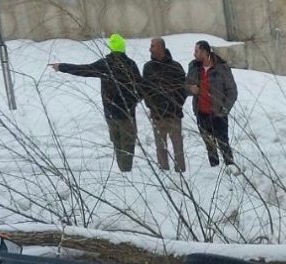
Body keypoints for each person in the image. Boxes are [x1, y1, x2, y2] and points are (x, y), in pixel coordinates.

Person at [50, 34, 142, 172]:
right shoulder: (130, 64)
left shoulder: (105, 64)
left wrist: (62, 67)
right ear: (123, 48)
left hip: (110, 113)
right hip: (127, 113)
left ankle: (123, 169)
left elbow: (83, 69)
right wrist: (135, 101)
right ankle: (126, 170)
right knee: (128, 144)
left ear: (111, 47)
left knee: (117, 143)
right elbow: (139, 87)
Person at [185, 40, 238, 168]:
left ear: (204, 52)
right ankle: (214, 169)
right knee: (209, 145)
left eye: (196, 51)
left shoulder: (222, 68)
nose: (194, 54)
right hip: (201, 114)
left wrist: (223, 111)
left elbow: (232, 92)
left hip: (218, 114)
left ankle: (230, 170)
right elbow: (186, 85)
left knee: (223, 144)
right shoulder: (193, 67)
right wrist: (190, 89)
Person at [141, 38, 188, 172]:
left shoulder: (175, 66)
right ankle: (164, 172)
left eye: (153, 46)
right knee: (160, 147)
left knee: (178, 146)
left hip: (174, 115)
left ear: (161, 48)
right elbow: (145, 90)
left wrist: (176, 105)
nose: (150, 49)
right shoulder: (148, 67)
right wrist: (152, 106)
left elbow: (182, 89)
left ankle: (181, 173)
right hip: (157, 115)